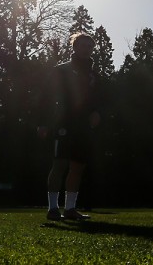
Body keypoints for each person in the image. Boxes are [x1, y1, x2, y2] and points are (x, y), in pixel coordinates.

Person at [37, 32, 102, 221]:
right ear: (74, 47)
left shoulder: (94, 75)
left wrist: (98, 112)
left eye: (90, 47)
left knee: (78, 167)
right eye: (82, 46)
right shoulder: (61, 70)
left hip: (84, 127)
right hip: (64, 124)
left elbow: (99, 99)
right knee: (59, 165)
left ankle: (71, 209)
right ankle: (52, 209)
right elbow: (46, 97)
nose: (86, 50)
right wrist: (42, 122)